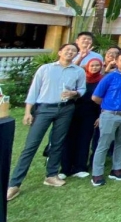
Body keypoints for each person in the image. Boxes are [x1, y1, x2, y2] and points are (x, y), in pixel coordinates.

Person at [6, 44, 85, 201]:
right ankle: (14, 184)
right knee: (31, 145)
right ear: (60, 52)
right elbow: (34, 90)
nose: (70, 52)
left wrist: (74, 93)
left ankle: (51, 175)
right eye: (67, 50)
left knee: (57, 143)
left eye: (74, 51)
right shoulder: (46, 69)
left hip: (66, 108)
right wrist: (28, 111)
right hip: (44, 109)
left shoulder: (78, 71)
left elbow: (82, 89)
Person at [90, 51, 121, 187]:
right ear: (116, 62)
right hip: (110, 115)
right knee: (104, 144)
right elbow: (95, 97)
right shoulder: (109, 77)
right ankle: (97, 174)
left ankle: (116, 169)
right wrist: (108, 106)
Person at [60, 58, 103, 179]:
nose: (94, 67)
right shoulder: (80, 79)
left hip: (90, 114)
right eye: (92, 65)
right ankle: (65, 169)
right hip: (72, 112)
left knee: (85, 140)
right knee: (68, 140)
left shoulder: (102, 80)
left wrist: (100, 116)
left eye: (97, 65)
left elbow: (103, 99)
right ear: (87, 67)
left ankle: (80, 167)